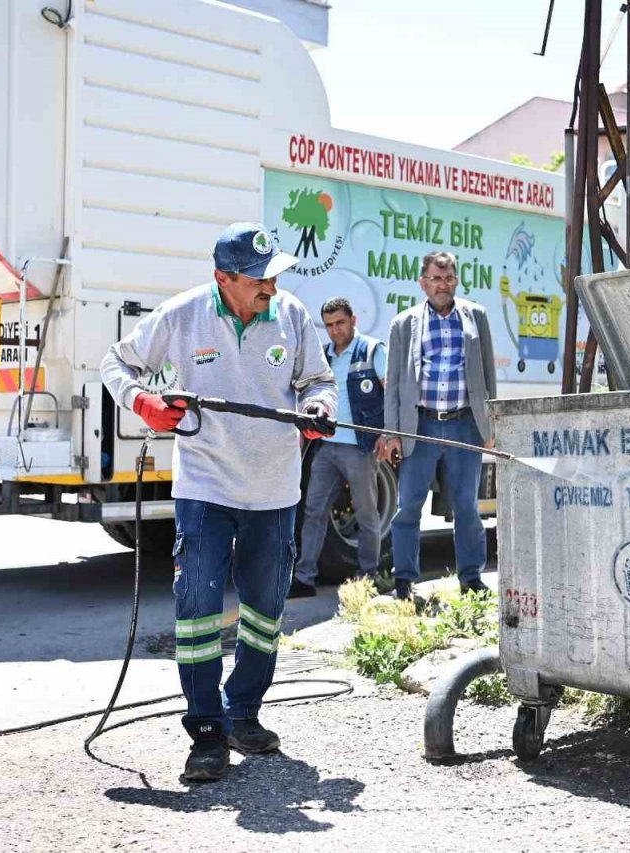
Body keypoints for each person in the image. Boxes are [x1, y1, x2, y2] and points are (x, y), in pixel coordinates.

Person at [100, 222, 337, 783]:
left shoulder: (294, 316)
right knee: (198, 612)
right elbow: (116, 362)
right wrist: (143, 402)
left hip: (275, 491)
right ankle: (206, 729)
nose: (270, 288)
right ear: (222, 279)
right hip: (205, 488)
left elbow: (318, 381)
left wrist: (319, 408)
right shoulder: (182, 315)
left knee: (263, 611)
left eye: (274, 276)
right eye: (258, 279)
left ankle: (244, 713)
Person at [378, 251, 497, 601]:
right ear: (423, 282)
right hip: (421, 426)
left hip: (464, 426)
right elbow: (395, 382)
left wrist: (489, 425)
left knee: (466, 508)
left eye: (448, 278)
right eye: (435, 278)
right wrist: (392, 432)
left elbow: (488, 374)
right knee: (408, 507)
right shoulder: (404, 323)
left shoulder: (476, 316)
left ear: (456, 280)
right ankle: (404, 581)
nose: (442, 285)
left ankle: (471, 579)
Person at [289, 297, 388, 598]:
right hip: (326, 448)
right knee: (313, 511)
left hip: (359, 447)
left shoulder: (372, 350)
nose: (335, 331)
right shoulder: (324, 356)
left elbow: (391, 391)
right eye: (329, 325)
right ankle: (305, 578)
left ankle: (368, 575)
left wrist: (387, 434)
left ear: (353, 320)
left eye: (340, 323)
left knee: (368, 514)